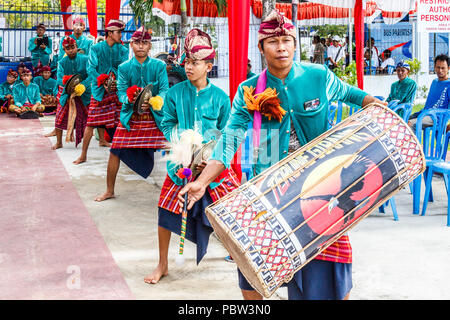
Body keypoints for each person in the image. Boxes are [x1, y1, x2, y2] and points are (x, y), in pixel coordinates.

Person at [178, 9, 383, 300]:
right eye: (273, 42)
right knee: (252, 274)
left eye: (287, 39)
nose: (281, 47)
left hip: (322, 186)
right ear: (261, 48)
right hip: (270, 191)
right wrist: (202, 181)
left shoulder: (318, 75)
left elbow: (351, 94)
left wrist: (373, 103)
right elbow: (230, 140)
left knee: (334, 272)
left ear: (295, 43)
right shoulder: (249, 90)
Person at [144, 28, 240, 285]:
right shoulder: (174, 94)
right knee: (165, 211)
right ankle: (162, 264)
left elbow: (226, 133)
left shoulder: (221, 98)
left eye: (195, 63)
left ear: (209, 66)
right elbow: (166, 124)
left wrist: (211, 154)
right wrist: (184, 143)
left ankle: (237, 252)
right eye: (186, 61)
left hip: (212, 165)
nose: (188, 67)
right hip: (181, 163)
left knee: (231, 209)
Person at [94, 27, 169, 202]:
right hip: (130, 117)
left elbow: (165, 89)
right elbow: (120, 93)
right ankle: (109, 190)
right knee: (115, 151)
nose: (141, 46)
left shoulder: (159, 66)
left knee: (175, 148)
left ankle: (178, 190)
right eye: (137, 42)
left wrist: (155, 100)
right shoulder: (124, 67)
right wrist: (131, 100)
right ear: (131, 45)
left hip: (155, 116)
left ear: (150, 46)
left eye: (144, 42)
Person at [73, 19, 129, 165]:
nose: (121, 35)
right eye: (118, 32)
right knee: (90, 123)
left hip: (116, 90)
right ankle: (83, 155)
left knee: (121, 122)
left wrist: (114, 80)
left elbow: (124, 69)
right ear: (110, 33)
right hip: (99, 90)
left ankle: (122, 155)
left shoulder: (123, 50)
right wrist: (102, 81)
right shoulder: (96, 48)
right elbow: (91, 68)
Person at [47, 36, 92, 150]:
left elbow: (91, 75)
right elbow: (59, 78)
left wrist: (83, 86)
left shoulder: (85, 59)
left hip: (84, 93)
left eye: (73, 47)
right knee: (59, 117)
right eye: (68, 48)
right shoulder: (62, 62)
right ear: (64, 50)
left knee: (91, 119)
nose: (71, 50)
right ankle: (59, 142)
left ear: (76, 47)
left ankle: (97, 141)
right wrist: (69, 86)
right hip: (67, 92)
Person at [409, 54, 450, 130]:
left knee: (410, 124)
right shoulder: (434, 82)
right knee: (402, 120)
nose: (440, 70)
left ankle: (414, 142)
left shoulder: (449, 84)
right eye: (438, 67)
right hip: (425, 112)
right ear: (434, 67)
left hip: (437, 118)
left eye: (443, 68)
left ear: (448, 68)